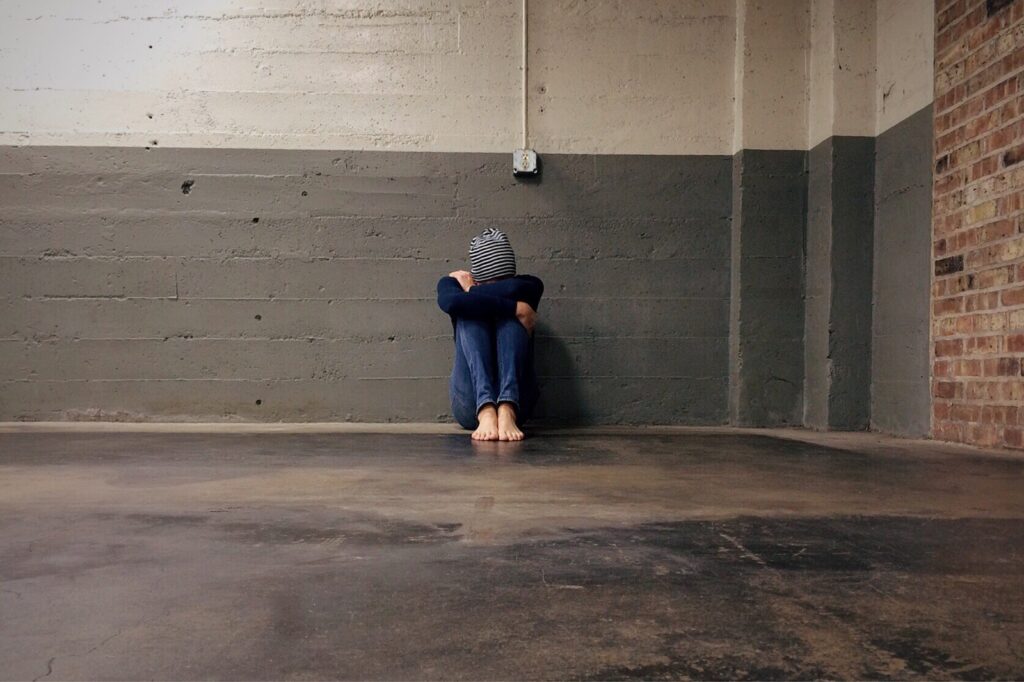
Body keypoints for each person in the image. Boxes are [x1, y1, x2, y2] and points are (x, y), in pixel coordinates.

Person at [436, 228, 544, 441]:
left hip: (519, 403)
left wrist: (472, 292)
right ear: (476, 278)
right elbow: (452, 302)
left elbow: (515, 288)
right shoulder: (451, 286)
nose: (502, 288)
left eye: (505, 283)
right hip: (470, 405)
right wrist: (516, 307)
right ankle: (486, 408)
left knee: (509, 318)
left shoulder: (528, 285)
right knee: (469, 313)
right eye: (492, 284)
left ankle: (506, 407)